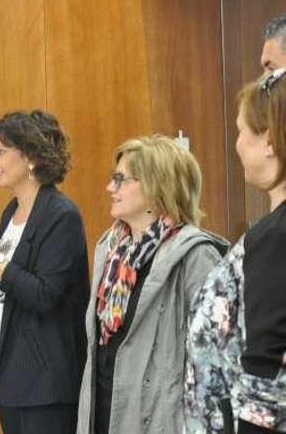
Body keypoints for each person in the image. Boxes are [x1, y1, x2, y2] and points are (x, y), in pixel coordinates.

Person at [74, 135, 227, 433]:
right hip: (103, 411)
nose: (110, 188)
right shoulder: (110, 247)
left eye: (121, 179)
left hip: (158, 420)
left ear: (157, 185)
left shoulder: (196, 255)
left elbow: (213, 359)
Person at [0, 110, 88, 433]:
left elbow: (44, 294)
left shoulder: (62, 216)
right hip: (9, 372)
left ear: (31, 156)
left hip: (45, 381)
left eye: (0, 151)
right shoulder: (12, 211)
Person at [186, 68, 286, 434]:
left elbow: (265, 378)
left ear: (270, 141)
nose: (237, 143)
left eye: (242, 131)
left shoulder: (275, 236)